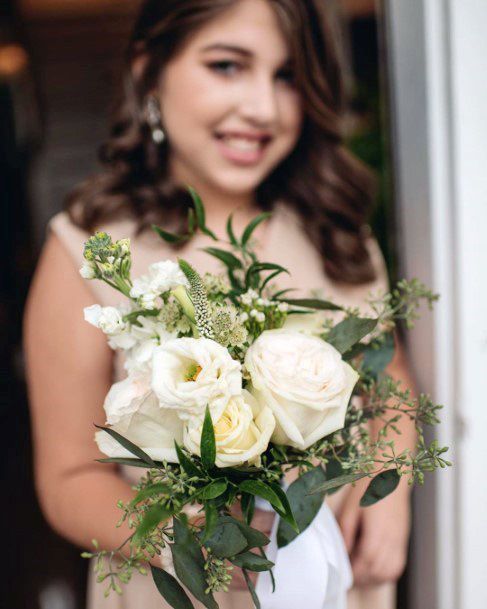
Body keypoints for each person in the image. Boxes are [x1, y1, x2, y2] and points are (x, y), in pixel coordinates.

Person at [24, 1, 417, 608]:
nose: (262, 106)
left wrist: (391, 486)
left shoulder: (337, 233)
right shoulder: (88, 250)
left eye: (286, 76)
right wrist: (183, 541)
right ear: (149, 70)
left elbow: (388, 374)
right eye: (228, 66)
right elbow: (68, 477)